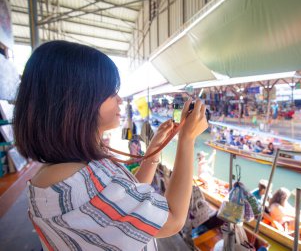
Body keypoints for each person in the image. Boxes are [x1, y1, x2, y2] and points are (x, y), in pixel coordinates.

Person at [13, 40, 209, 251]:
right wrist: (187, 140)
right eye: (110, 92)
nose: (119, 100)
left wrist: (153, 153)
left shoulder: (70, 170)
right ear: (77, 100)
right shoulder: (76, 182)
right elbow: (172, 219)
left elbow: (123, 201)